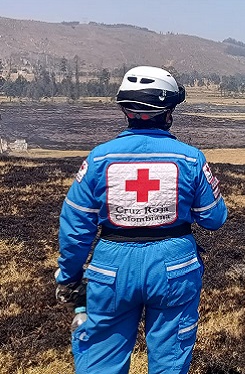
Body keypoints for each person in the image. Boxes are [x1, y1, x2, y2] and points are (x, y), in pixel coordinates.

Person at [54, 66, 228, 373]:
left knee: (100, 361)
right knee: (170, 363)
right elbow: (214, 218)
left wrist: (68, 277)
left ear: (125, 110)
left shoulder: (99, 158)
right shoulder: (190, 158)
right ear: (169, 112)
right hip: (175, 267)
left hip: (110, 268)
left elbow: (75, 226)